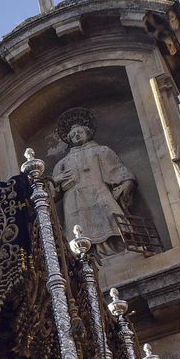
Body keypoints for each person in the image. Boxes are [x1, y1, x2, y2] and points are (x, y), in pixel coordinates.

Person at [50, 107, 137, 253]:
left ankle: (120, 250)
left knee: (112, 221)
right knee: (80, 231)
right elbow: (51, 192)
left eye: (80, 132)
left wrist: (127, 183)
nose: (77, 136)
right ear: (69, 139)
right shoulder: (63, 162)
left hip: (98, 191)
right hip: (74, 200)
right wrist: (56, 180)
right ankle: (90, 259)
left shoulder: (101, 151)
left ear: (88, 133)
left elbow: (118, 170)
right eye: (73, 135)